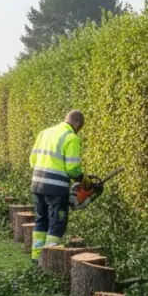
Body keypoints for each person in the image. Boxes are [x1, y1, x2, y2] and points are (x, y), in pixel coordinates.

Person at [29, 109, 87, 260]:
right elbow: (72, 168)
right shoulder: (71, 137)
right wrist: (83, 179)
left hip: (37, 185)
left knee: (41, 221)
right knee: (57, 223)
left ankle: (36, 258)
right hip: (56, 188)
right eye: (80, 127)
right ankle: (49, 259)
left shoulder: (45, 132)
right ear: (78, 124)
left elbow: (32, 161)